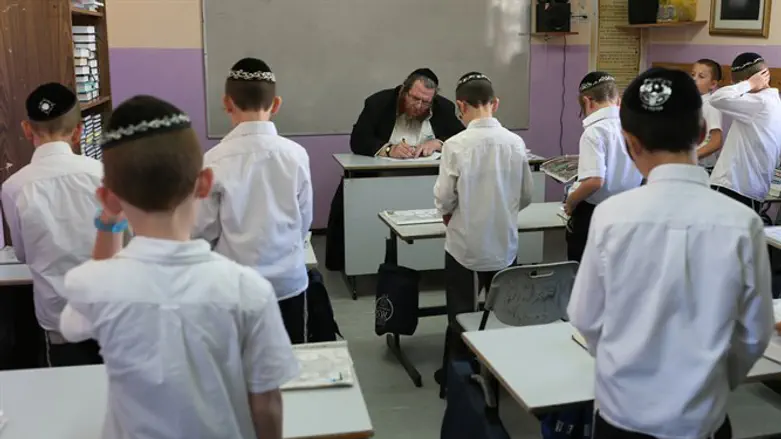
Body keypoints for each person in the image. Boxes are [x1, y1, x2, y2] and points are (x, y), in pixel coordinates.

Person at [58, 95, 299, 439]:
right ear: (204, 183)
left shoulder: (91, 284)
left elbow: (73, 327)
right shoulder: (247, 289)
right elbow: (266, 402)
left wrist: (110, 220)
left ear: (109, 197)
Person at [568, 67, 774, 439]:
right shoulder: (743, 223)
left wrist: (622, 365)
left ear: (629, 142)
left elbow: (586, 318)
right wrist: (714, 381)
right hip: (702, 419)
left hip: (622, 413)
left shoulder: (610, 217)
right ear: (699, 135)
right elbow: (755, 331)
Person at [193, 58, 313, 344]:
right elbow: (303, 220)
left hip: (234, 287)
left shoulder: (213, 160)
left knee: (236, 370)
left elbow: (202, 230)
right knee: (290, 366)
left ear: (227, 103)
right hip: (287, 283)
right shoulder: (296, 154)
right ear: (277, 104)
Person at [433, 71, 534, 391]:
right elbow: (526, 195)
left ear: (460, 106)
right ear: (496, 103)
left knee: (460, 314)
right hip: (505, 245)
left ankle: (458, 379)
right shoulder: (515, 142)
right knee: (504, 311)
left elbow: (445, 197)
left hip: (464, 246)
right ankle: (504, 376)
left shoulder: (456, 145)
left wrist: (448, 214)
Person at [1, 83, 103, 367]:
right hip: (110, 309)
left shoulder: (13, 187)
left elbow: (21, 254)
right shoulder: (105, 175)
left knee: (66, 389)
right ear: (79, 130)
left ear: (26, 128)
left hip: (59, 317)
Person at [325, 68, 464, 271]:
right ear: (403, 91)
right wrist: (389, 150)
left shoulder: (443, 107)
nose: (419, 106)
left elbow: (461, 139)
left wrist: (439, 143)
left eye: (426, 102)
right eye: (415, 98)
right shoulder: (378, 103)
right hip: (380, 180)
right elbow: (358, 140)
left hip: (428, 183)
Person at [564, 72, 642, 262]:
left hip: (596, 214)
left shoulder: (594, 132)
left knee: (586, 271)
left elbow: (594, 181)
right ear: (618, 99)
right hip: (629, 211)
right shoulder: (633, 127)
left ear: (587, 101)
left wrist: (571, 202)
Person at [710, 52, 781, 213]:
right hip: (752, 192)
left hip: (732, 187)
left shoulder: (760, 102)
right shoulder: (774, 102)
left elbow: (717, 98)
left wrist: (747, 84)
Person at [691, 58, 724, 173]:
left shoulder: (710, 105)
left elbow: (716, 141)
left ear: (713, 84)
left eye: (701, 76)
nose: (694, 79)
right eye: (693, 74)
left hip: (702, 168)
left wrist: (692, 157)